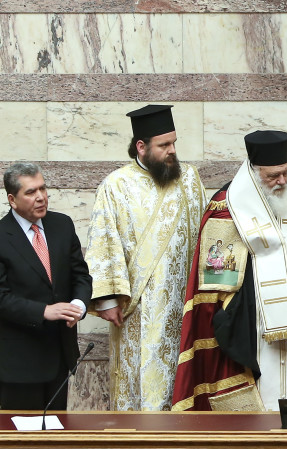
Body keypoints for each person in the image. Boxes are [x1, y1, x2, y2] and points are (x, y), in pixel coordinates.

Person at [171, 130, 287, 411]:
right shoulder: (226, 205)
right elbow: (217, 277)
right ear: (255, 172)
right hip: (253, 320)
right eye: (273, 176)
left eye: (286, 173)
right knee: (266, 391)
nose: (282, 181)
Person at [85, 104, 205, 411]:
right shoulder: (116, 185)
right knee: (140, 389)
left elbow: (204, 233)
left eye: (174, 143)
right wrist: (107, 300)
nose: (172, 151)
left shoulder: (189, 178)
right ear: (141, 147)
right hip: (137, 311)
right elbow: (103, 241)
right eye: (164, 145)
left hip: (182, 306)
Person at [0, 163, 92, 410]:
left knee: (56, 429)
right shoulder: (2, 236)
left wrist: (78, 306)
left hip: (60, 356)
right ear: (12, 199)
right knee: (23, 432)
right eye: (31, 192)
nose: (41, 197)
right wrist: (44, 311)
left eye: (42, 188)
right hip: (18, 363)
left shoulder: (62, 225)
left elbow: (81, 276)